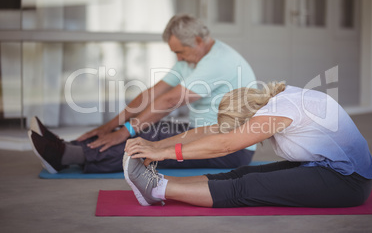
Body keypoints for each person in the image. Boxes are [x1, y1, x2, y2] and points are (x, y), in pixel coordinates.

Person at [28, 14, 257, 174]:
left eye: (180, 52)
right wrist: (110, 126)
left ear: (198, 41)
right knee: (145, 127)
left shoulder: (218, 61)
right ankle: (71, 146)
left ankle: (67, 156)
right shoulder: (191, 58)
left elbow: (168, 101)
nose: (177, 58)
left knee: (152, 138)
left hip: (232, 147)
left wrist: (126, 130)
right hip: (201, 132)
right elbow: (153, 93)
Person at [123, 81, 372, 208]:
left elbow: (224, 145)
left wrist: (164, 152)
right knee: (242, 173)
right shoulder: (277, 98)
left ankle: (157, 189)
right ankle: (159, 180)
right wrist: (154, 146)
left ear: (246, 119)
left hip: (347, 182)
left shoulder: (282, 108)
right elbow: (208, 132)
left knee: (247, 187)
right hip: (326, 169)